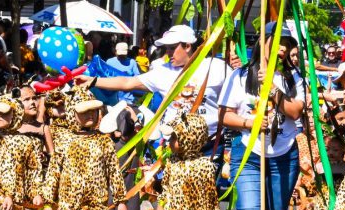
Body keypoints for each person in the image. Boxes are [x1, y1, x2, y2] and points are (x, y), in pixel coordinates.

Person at [219, 22, 305, 210]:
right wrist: (249, 121)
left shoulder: (295, 79)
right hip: (249, 154)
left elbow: (295, 111)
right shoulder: (241, 75)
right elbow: (224, 115)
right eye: (277, 41)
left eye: (287, 44)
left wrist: (273, 91)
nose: (282, 49)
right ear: (263, 42)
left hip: (284, 157)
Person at [79, 25, 231, 156]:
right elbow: (127, 82)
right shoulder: (163, 71)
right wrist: (94, 81)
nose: (169, 53)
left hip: (210, 146)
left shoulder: (216, 67)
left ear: (187, 46)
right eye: (167, 49)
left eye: (172, 48)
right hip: (175, 145)